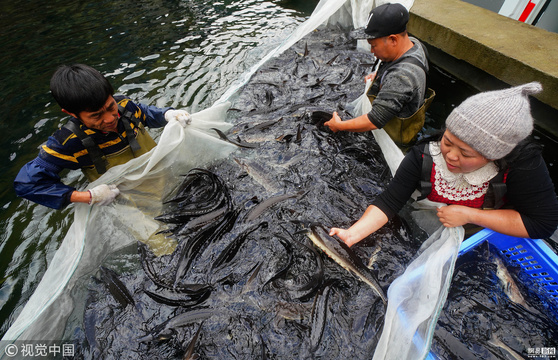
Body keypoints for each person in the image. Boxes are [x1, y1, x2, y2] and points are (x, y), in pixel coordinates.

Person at [330, 82, 558, 246]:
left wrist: (471, 215)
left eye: (466, 154)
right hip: (434, 217)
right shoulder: (424, 154)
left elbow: (542, 224)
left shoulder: (523, 165)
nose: (450, 156)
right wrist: (352, 234)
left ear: (493, 156)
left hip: (482, 227)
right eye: (448, 141)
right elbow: (390, 200)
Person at [14, 64, 192, 210]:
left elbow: (145, 113)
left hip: (164, 178)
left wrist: (168, 114)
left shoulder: (125, 106)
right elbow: (27, 183)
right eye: (96, 116)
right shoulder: (68, 143)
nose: (109, 119)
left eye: (110, 107)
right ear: (71, 113)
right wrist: (88, 196)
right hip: (129, 204)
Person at [324, 2, 434, 146]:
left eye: (373, 45)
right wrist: (380, 74)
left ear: (393, 39)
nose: (371, 51)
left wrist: (339, 126)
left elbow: (375, 120)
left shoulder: (401, 77)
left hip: (395, 138)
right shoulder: (414, 44)